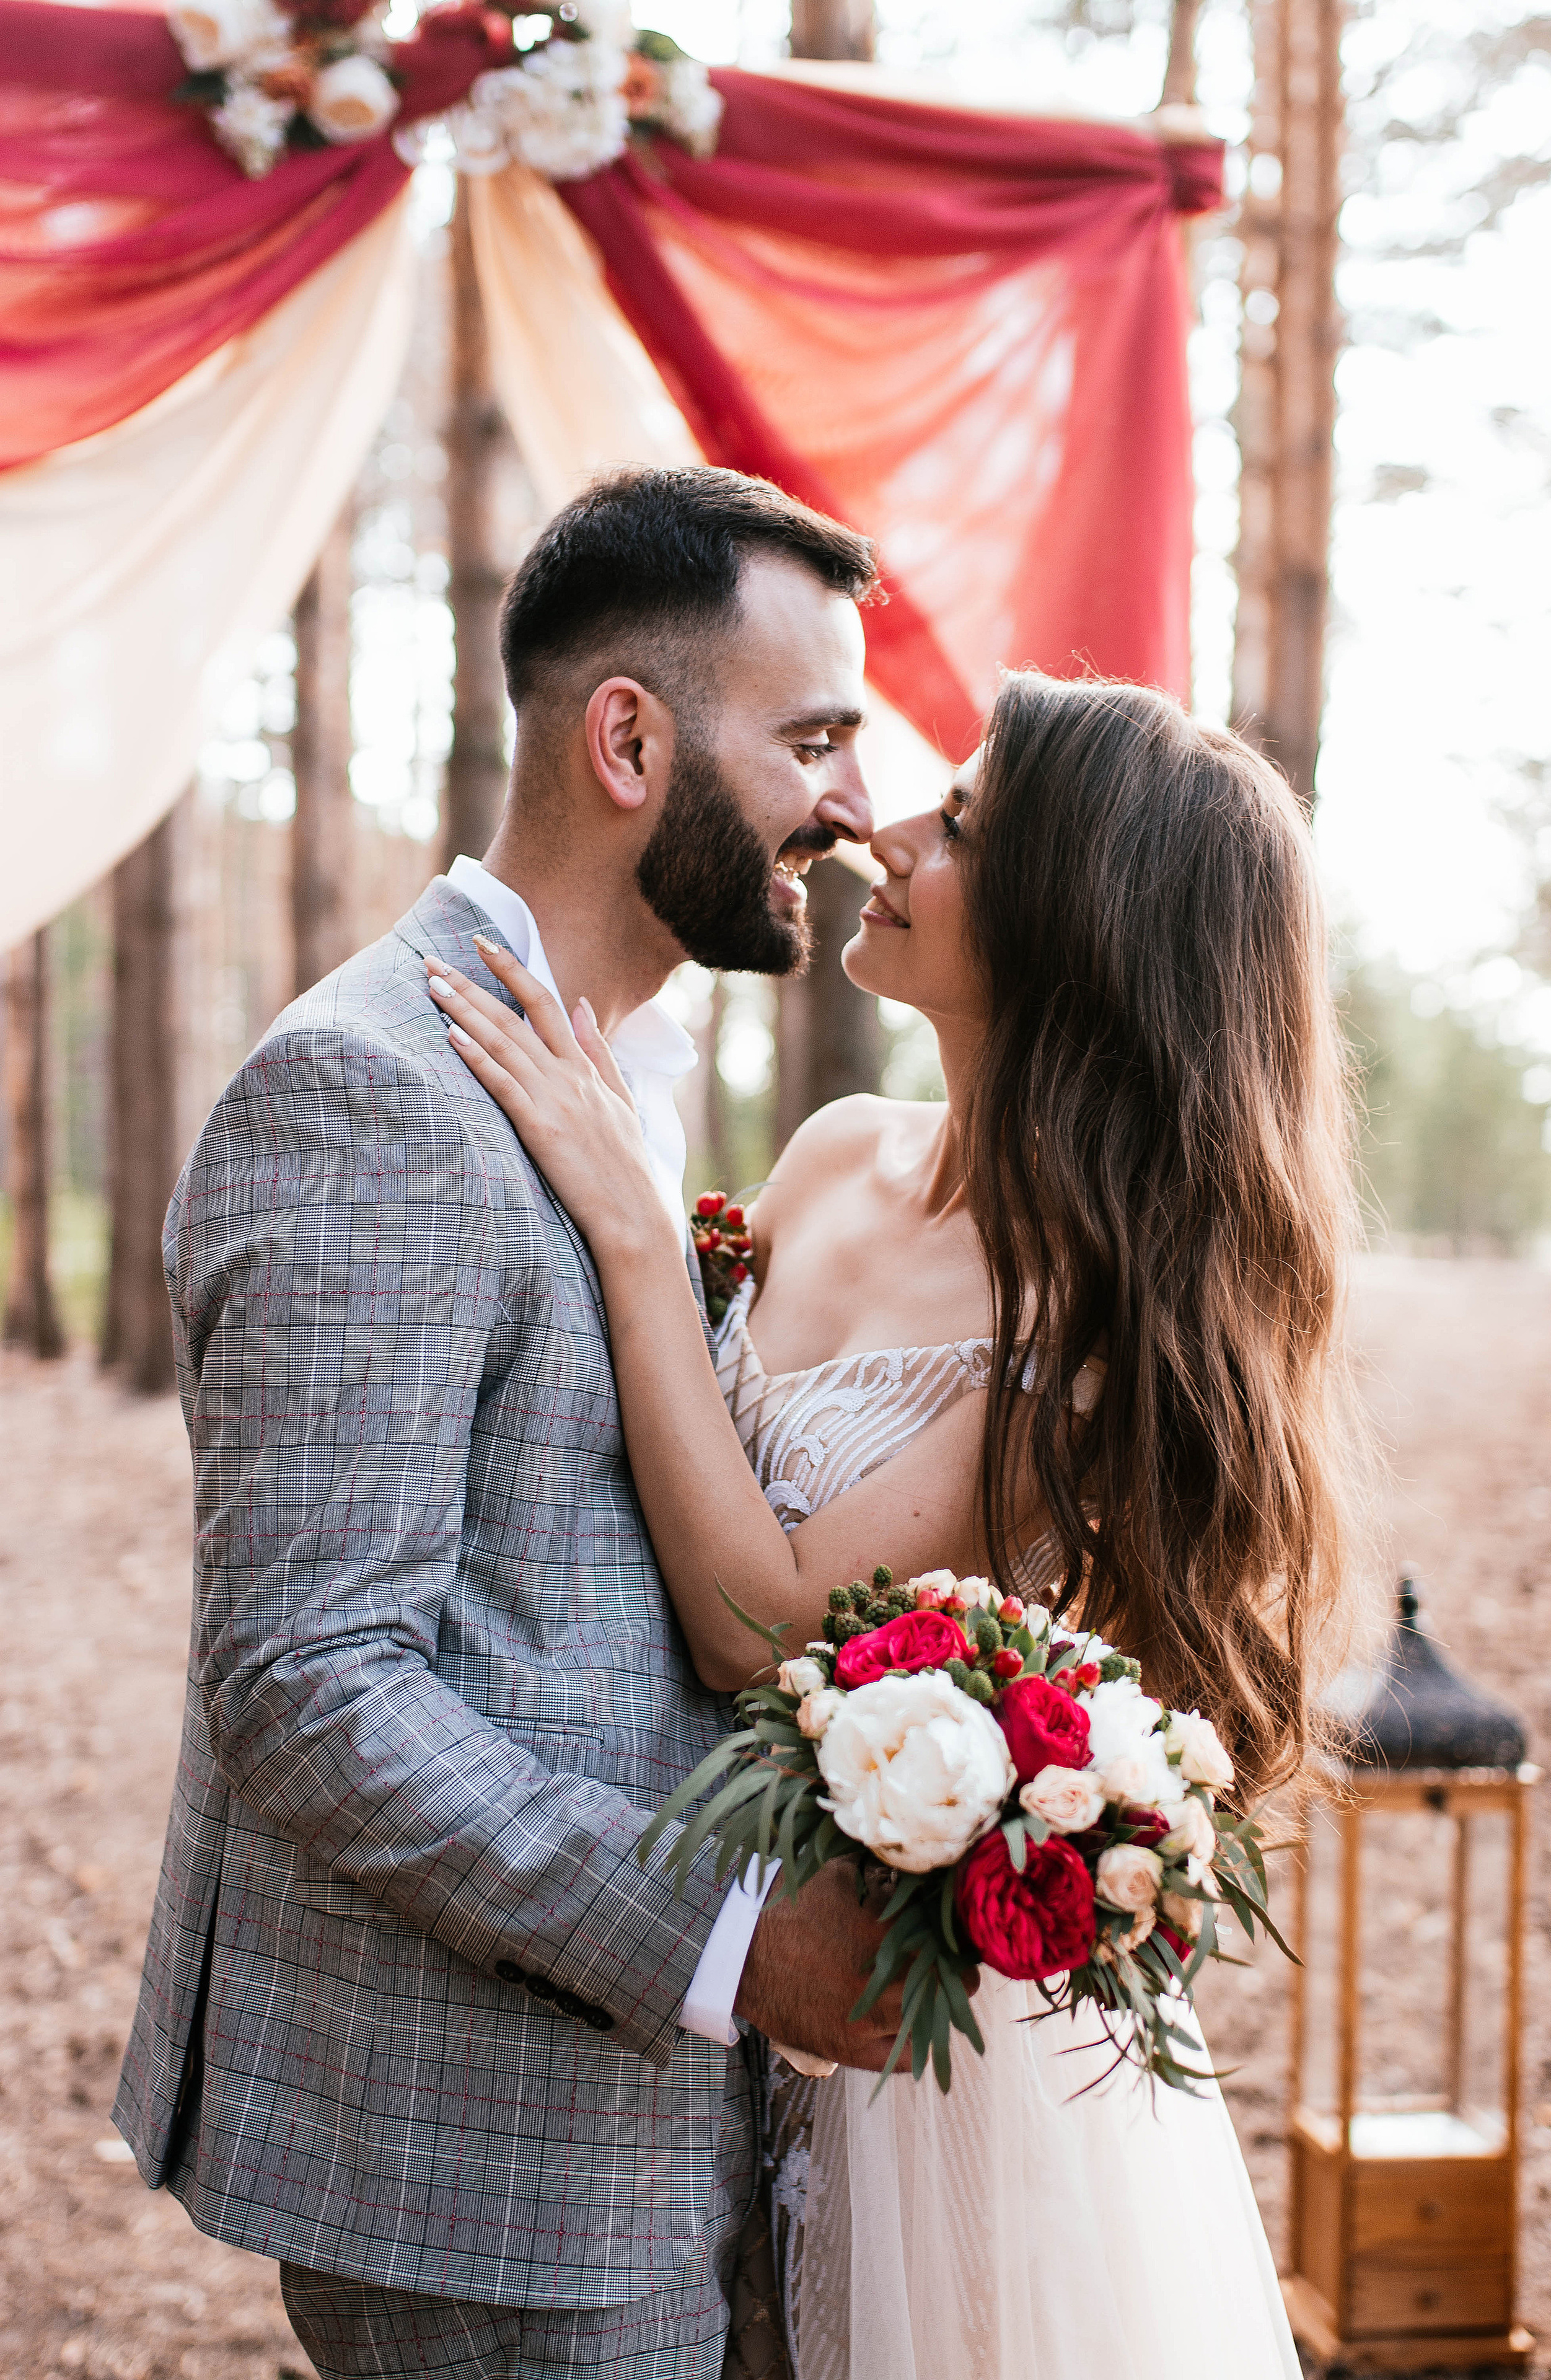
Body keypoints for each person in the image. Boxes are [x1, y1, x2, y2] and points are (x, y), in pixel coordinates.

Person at [113, 466, 959, 2380]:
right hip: (483, 2167)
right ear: (633, 739)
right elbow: (313, 1683)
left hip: (664, 2133)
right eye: (814, 737)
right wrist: (740, 1944)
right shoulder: (370, 1097)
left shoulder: (622, 1076)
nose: (849, 804)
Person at [424, 669, 1366, 2379]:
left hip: (913, 2049)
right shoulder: (839, 1150)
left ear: (1074, 932)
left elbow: (758, 1619)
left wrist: (638, 1237)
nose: (880, 825)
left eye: (967, 825)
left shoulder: (1083, 1327)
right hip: (695, 1960)